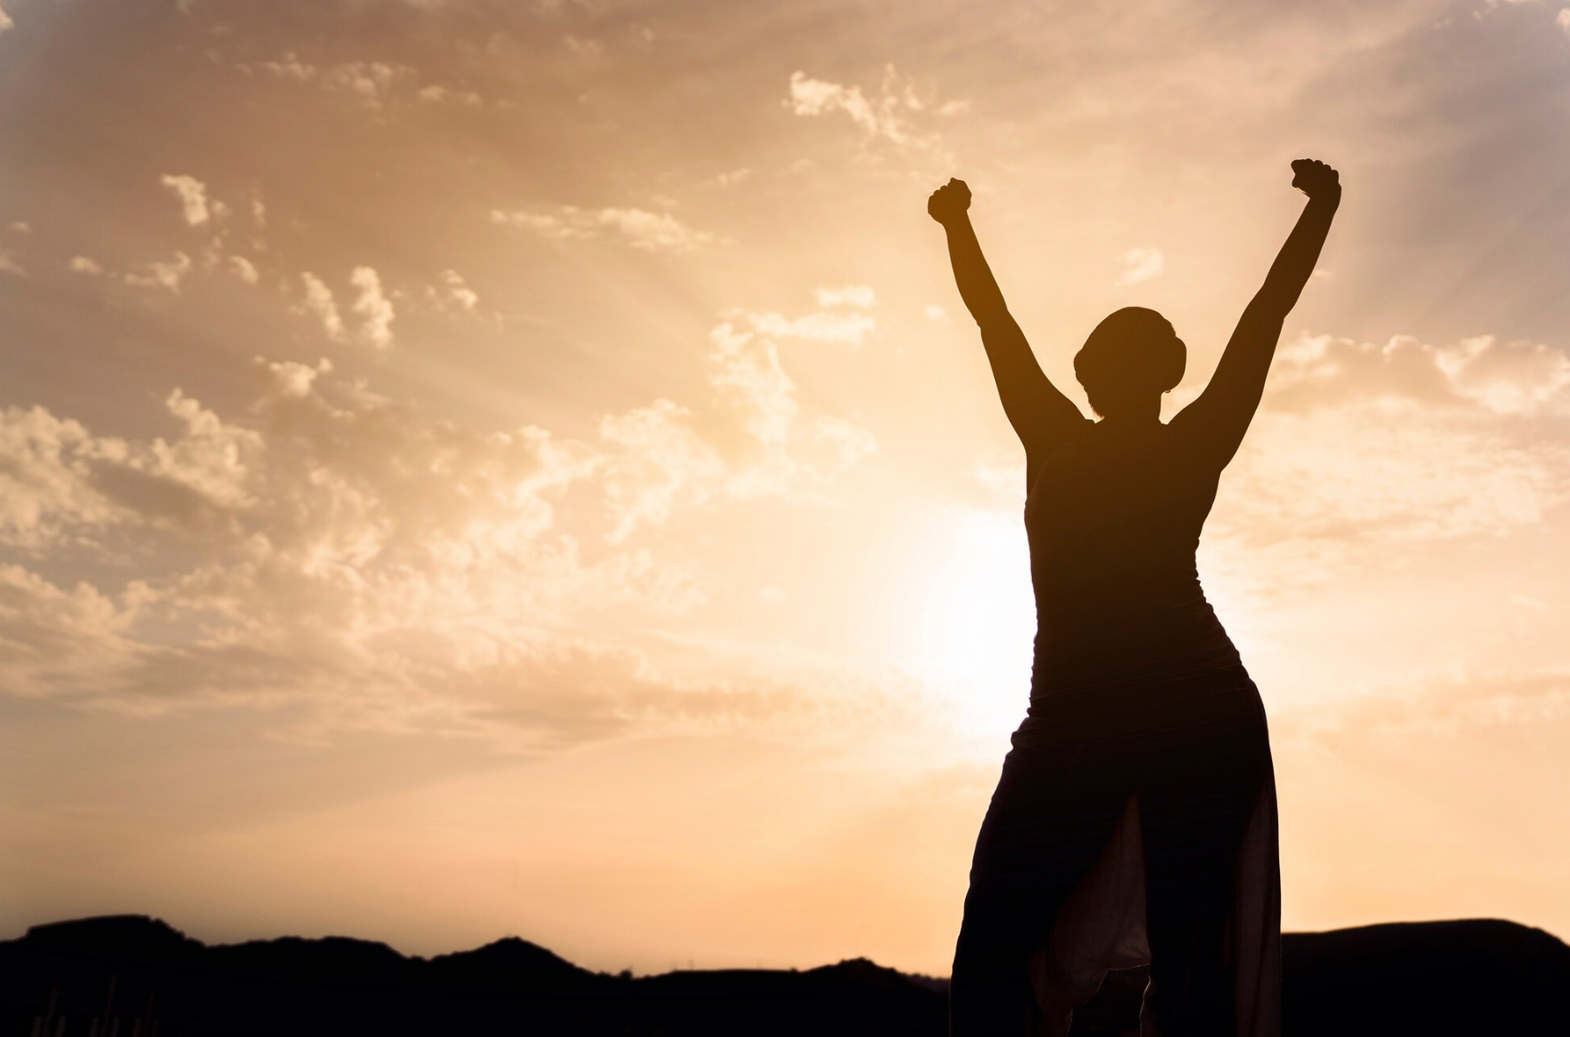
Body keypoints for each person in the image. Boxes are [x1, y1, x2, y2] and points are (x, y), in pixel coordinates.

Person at [928, 159, 1341, 1037]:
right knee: (999, 938)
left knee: (1191, 967)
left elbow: (1266, 316)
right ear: (1089, 374)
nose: (1119, 371)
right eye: (1114, 356)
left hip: (1193, 713)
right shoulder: (1065, 436)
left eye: (1139, 355)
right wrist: (956, 225)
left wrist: (1320, 215)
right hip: (1087, 717)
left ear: (1163, 374)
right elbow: (992, 320)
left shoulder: (1143, 443)